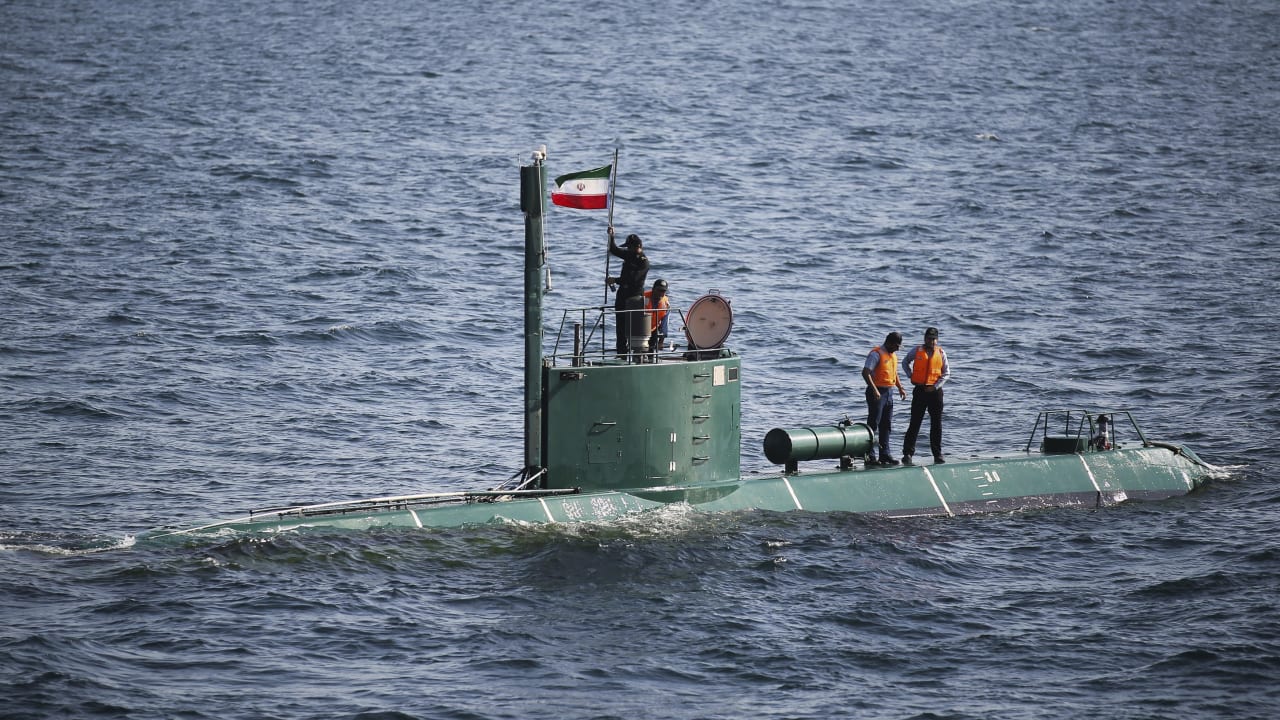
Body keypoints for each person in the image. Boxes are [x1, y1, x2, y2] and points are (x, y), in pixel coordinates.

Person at [901, 326, 950, 465]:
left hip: (935, 392)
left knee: (936, 424)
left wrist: (935, 387)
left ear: (937, 340)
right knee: (915, 422)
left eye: (934, 339)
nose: (931, 341)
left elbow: (946, 373)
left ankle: (937, 454)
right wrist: (911, 376)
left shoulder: (941, 353)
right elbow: (905, 362)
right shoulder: (916, 351)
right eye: (929, 338)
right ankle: (907, 454)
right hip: (920, 390)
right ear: (925, 339)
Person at [861, 332, 907, 466]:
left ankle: (885, 454)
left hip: (889, 392)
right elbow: (865, 372)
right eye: (896, 346)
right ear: (889, 343)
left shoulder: (893, 356)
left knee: (886, 424)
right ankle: (869, 456)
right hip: (877, 392)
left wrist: (900, 387)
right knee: (873, 424)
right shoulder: (876, 354)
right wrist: (874, 389)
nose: (898, 349)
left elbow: (894, 373)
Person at [606, 227, 650, 357]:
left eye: (630, 247)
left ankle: (637, 353)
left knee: (633, 326)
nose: (628, 250)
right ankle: (621, 353)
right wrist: (611, 236)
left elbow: (633, 279)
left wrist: (615, 280)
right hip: (622, 295)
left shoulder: (643, 262)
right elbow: (614, 250)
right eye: (628, 248)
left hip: (634, 297)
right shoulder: (629, 255)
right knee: (620, 326)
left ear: (638, 247)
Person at [644, 278, 670, 355]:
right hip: (641, 329)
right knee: (641, 350)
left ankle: (650, 358)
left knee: (651, 352)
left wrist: (661, 342)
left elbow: (665, 324)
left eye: (663, 291)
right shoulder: (643, 298)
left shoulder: (666, 303)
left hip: (654, 329)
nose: (661, 293)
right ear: (653, 289)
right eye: (659, 290)